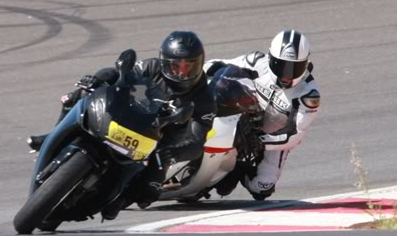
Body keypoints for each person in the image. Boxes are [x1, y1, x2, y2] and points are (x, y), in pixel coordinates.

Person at [30, 31, 216, 220]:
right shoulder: (151, 67)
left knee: (148, 192)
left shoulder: (205, 98)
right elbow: (119, 75)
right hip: (132, 116)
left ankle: (119, 197)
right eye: (176, 66)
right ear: (164, 62)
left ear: (200, 63)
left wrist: (173, 153)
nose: (183, 72)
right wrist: (99, 80)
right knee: (75, 97)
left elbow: (197, 141)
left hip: (159, 142)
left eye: (189, 66)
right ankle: (51, 136)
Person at [204, 29, 320, 200]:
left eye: (294, 68)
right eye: (281, 65)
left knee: (262, 187)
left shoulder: (308, 94)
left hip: (273, 138)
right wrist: (201, 72)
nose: (286, 75)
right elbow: (220, 64)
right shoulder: (257, 62)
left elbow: (296, 134)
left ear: (305, 63)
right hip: (244, 115)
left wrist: (260, 143)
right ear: (271, 58)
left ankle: (238, 170)